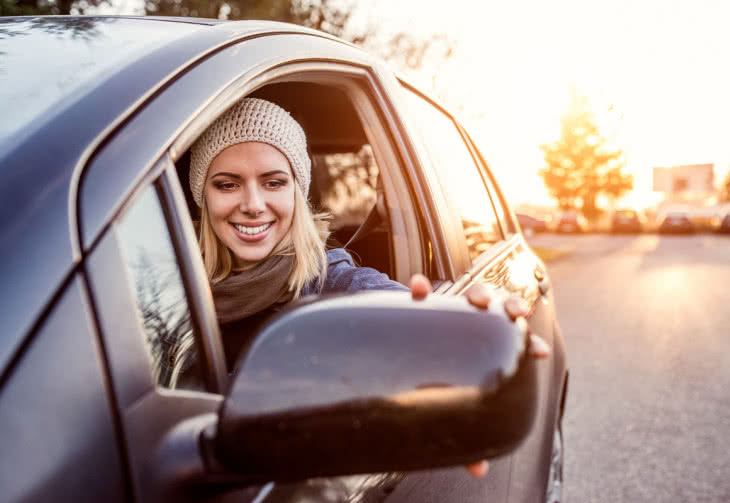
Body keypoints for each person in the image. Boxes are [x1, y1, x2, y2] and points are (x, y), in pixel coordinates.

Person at [189, 97, 549, 478]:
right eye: (227, 185)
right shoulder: (163, 288)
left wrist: (471, 343)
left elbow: (418, 344)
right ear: (202, 196)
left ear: (298, 191)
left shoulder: (339, 285)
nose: (253, 204)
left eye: (274, 182)